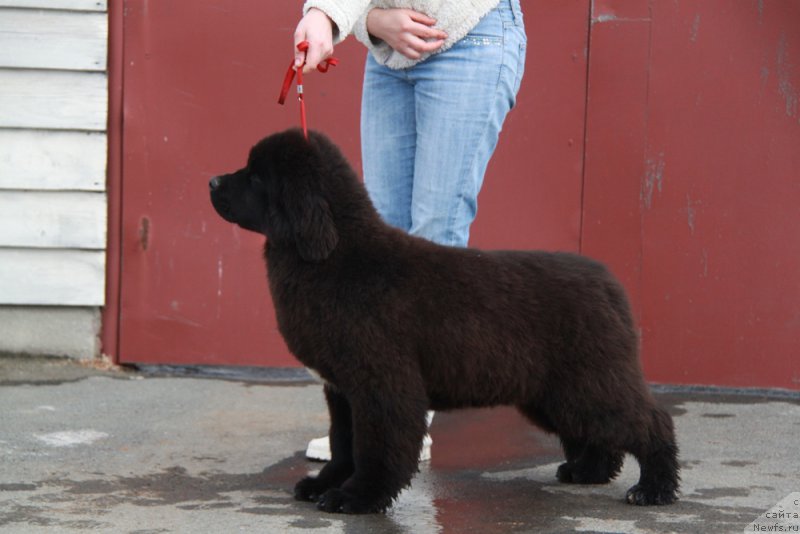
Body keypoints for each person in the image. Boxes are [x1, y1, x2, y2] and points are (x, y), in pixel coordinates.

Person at [294, 0, 527, 461]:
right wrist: (368, 21)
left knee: (434, 239)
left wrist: (326, 14)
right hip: (388, 58)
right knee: (377, 244)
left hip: (467, 37)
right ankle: (376, 417)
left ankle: (401, 426)